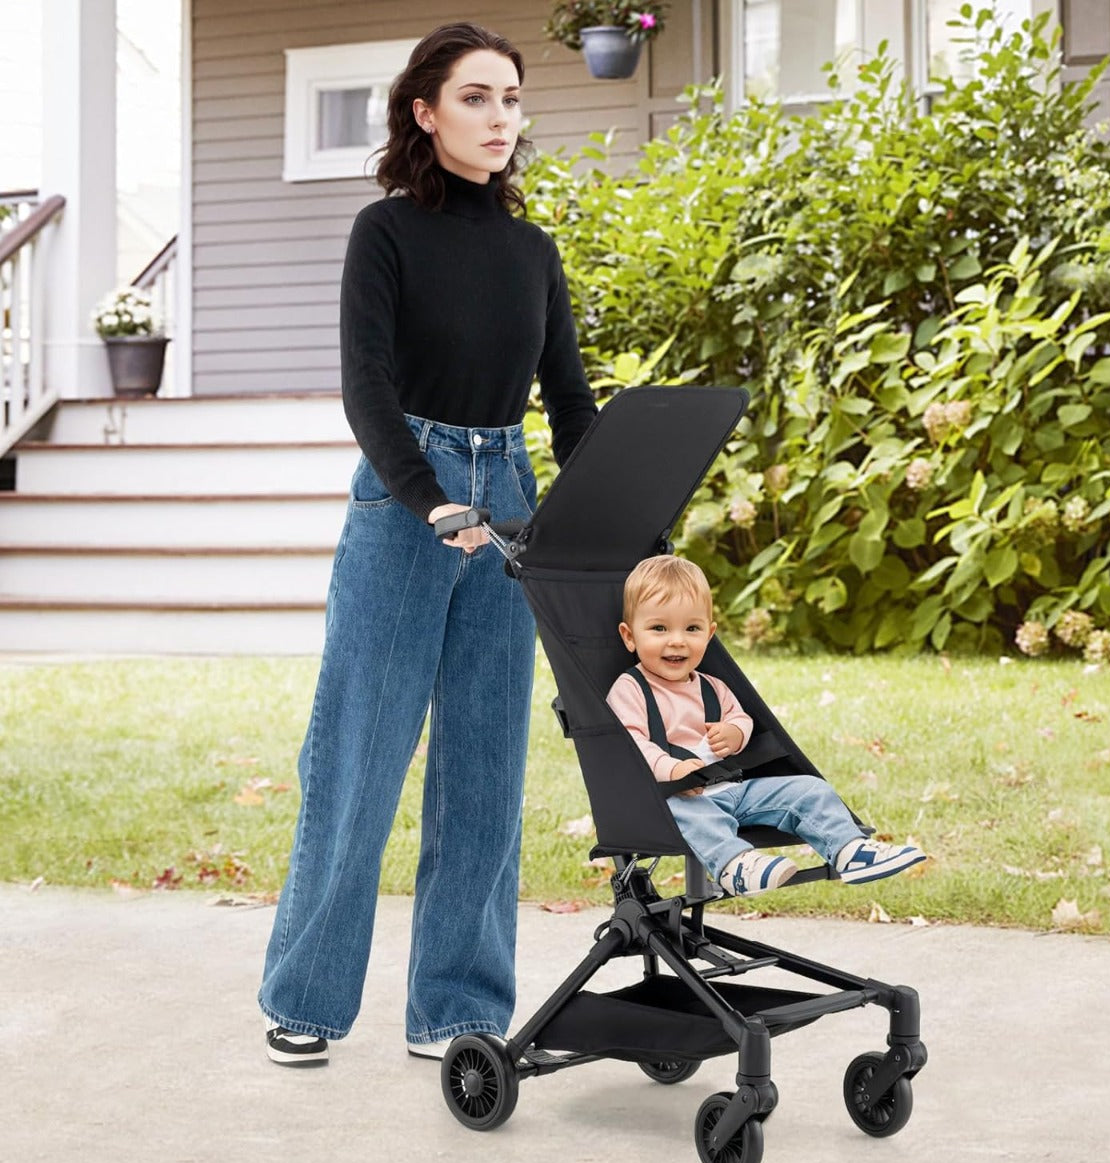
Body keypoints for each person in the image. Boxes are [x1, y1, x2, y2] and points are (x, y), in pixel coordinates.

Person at [258, 23, 597, 1068]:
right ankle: (307, 996)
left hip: (512, 504)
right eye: (477, 99)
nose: (500, 120)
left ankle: (457, 1008)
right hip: (406, 507)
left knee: (487, 768)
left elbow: (571, 405)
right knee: (357, 758)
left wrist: (618, 531)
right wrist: (427, 500)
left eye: (510, 100)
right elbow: (368, 388)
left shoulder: (532, 252)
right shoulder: (387, 233)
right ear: (425, 111)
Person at [606, 556, 926, 896]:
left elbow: (739, 718)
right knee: (688, 812)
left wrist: (734, 733)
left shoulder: (712, 686)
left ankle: (850, 850)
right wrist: (673, 768)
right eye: (659, 629)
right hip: (673, 797)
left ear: (710, 633)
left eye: (692, 629)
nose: (677, 641)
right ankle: (735, 865)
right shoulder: (630, 689)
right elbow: (630, 744)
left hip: (734, 788)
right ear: (629, 636)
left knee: (808, 789)